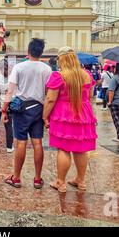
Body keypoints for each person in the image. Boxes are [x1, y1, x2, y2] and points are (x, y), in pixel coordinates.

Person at [43, 47, 97, 193]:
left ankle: (61, 182)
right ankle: (81, 180)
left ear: (61, 59)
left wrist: (44, 116)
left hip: (64, 114)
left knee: (64, 148)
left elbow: (50, 99)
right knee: (81, 149)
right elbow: (91, 96)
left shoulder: (58, 76)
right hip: (83, 113)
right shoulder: (86, 75)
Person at [3, 38, 52, 189]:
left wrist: (5, 109)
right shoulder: (47, 69)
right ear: (41, 52)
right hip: (39, 108)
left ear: (28, 51)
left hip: (22, 109)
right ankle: (37, 179)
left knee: (21, 143)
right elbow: (48, 92)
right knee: (37, 142)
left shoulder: (19, 67)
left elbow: (10, 90)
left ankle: (16, 177)